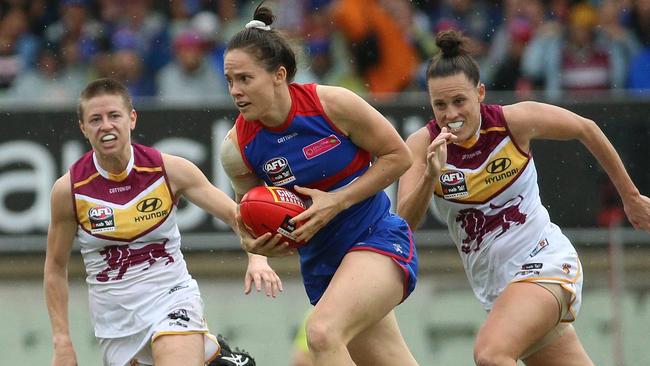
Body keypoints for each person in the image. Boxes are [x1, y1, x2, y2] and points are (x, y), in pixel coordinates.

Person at [397, 30, 650, 366]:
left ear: (480, 93)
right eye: (439, 105)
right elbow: (404, 225)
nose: (450, 113)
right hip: (500, 291)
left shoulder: (512, 122)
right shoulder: (421, 145)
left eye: (459, 101)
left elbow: (586, 128)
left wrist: (630, 197)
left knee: (490, 353)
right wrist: (431, 175)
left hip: (544, 263)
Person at [219, 5, 419, 366]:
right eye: (230, 81)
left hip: (375, 237)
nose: (236, 90)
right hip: (322, 264)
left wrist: (337, 201)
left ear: (279, 75)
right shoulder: (237, 148)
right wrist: (255, 252)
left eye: (245, 79)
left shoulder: (332, 104)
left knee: (321, 333)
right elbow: (247, 212)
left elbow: (398, 157)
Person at [43, 78, 278, 366]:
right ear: (83, 128)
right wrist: (62, 341)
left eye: (114, 116)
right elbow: (55, 268)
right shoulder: (69, 190)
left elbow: (237, 215)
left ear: (131, 118)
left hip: (172, 298)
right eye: (95, 119)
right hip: (115, 324)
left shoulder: (169, 169)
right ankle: (216, 356)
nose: (106, 125)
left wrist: (257, 259)